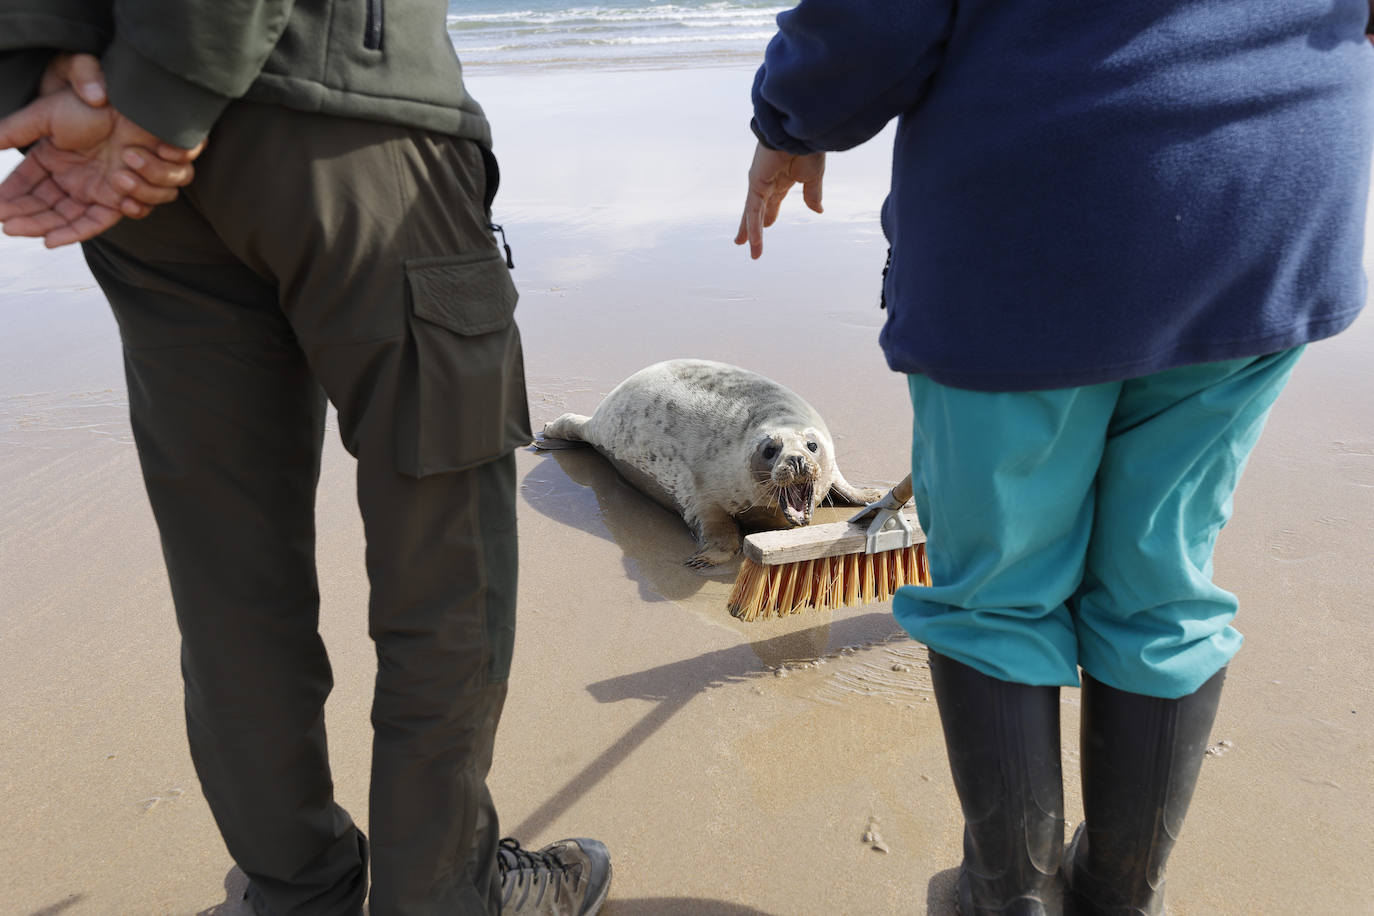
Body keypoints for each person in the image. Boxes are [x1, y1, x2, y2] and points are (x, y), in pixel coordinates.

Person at [736, 2, 1373, 914]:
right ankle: (1117, 900)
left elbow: (872, 20)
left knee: (997, 587)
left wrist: (789, 120)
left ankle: (1012, 901)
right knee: (1162, 577)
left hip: (1037, 219)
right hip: (1268, 202)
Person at [0, 4, 611, 915]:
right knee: (445, 561)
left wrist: (40, 72)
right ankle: (439, 898)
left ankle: (296, 894)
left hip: (125, 164)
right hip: (345, 114)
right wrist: (168, 89)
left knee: (229, 575)